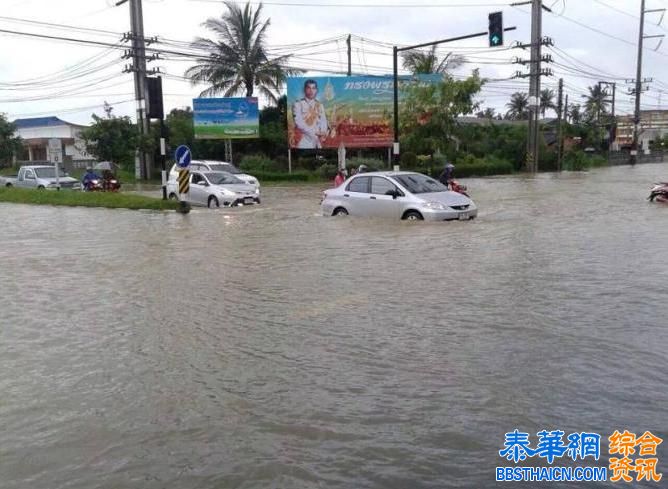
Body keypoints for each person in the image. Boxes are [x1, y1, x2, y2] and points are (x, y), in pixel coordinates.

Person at [292, 79, 329, 149]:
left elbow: (323, 121)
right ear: (304, 90)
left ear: (316, 90)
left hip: (318, 141)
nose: (311, 91)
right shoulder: (298, 104)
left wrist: (323, 133)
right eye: (309, 88)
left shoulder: (320, 105)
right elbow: (299, 123)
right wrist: (315, 133)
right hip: (305, 139)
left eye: (313, 88)